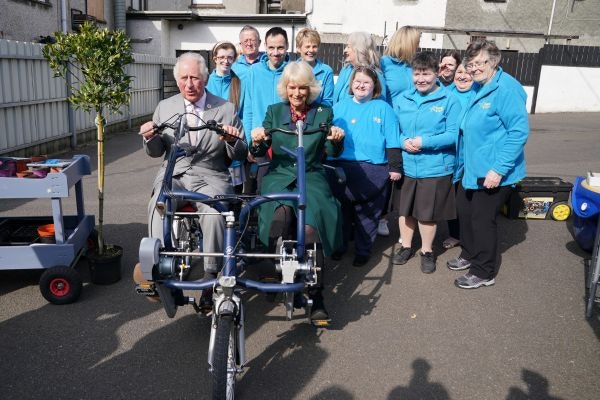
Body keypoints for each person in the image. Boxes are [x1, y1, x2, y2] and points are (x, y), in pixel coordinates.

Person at [138, 52, 247, 306]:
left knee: (214, 213)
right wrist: (149, 138)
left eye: (195, 78)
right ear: (177, 80)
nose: (190, 84)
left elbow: (242, 152)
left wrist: (232, 140)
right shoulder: (165, 107)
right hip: (174, 173)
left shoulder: (224, 108)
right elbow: (156, 152)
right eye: (184, 78)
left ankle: (211, 275)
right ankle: (158, 267)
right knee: (158, 204)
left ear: (205, 79)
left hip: (211, 175)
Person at [249, 61, 345, 322]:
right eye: (292, 87)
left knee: (310, 228)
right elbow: (257, 152)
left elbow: (334, 152)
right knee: (279, 216)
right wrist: (256, 139)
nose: (297, 93)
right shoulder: (274, 111)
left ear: (310, 88)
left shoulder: (324, 113)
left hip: (311, 175)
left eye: (302, 88)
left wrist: (337, 138)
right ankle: (271, 267)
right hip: (279, 174)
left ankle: (317, 293)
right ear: (285, 88)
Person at [449, 39, 529, 289]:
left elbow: (518, 132)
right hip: (471, 168)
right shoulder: (478, 86)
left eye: (478, 63)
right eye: (469, 64)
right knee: (464, 211)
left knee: (482, 220)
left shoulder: (506, 89)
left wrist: (498, 169)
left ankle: (484, 272)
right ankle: (471, 253)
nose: (472, 69)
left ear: (493, 61)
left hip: (494, 171)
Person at [391, 51, 462, 274]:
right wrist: (403, 141)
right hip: (407, 164)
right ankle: (405, 246)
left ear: (436, 73)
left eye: (426, 74)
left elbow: (452, 135)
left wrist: (425, 142)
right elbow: (394, 130)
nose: (421, 79)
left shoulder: (450, 100)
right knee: (406, 211)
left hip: (435, 167)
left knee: (427, 214)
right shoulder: (402, 99)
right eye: (417, 74)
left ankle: (427, 251)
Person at [328, 66, 402, 267]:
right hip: (340, 166)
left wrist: (395, 167)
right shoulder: (339, 107)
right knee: (341, 213)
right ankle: (339, 247)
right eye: (357, 81)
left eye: (366, 82)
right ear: (351, 84)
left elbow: (393, 140)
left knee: (367, 214)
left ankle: (363, 250)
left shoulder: (384, 108)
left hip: (373, 168)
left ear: (374, 86)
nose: (361, 85)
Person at [379, 25, 421, 237]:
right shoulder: (384, 64)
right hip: (390, 125)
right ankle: (381, 217)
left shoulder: (412, 67)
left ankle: (399, 216)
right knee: (387, 172)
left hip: (410, 127)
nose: (418, 47)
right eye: (416, 43)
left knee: (402, 175)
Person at [242, 26, 291, 194]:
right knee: (261, 190)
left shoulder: (293, 71)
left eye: (280, 47)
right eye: (271, 47)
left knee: (286, 189)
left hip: (286, 139)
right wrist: (250, 142)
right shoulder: (254, 72)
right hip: (261, 139)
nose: (275, 52)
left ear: (287, 46)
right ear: (265, 47)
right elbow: (248, 109)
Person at [442, 62, 474, 249]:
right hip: (450, 156)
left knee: (468, 201)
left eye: (467, 72)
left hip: (471, 156)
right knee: (452, 199)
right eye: (459, 72)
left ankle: (470, 235)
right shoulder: (445, 93)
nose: (462, 76)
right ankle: (455, 234)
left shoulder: (478, 94)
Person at [207, 41, 246, 192]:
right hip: (210, 146)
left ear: (235, 59)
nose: (226, 61)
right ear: (215, 58)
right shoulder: (206, 83)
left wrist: (243, 144)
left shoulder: (240, 84)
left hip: (232, 143)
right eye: (222, 57)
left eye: (230, 57)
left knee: (235, 192)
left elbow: (243, 115)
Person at [332, 31, 387, 105]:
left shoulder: (375, 75)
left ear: (359, 49)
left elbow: (379, 106)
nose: (345, 50)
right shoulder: (345, 70)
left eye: (348, 47)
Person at [295, 28, 334, 107]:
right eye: (307, 46)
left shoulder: (326, 71)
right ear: (299, 48)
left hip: (317, 116)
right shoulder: (292, 69)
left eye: (314, 46)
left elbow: (328, 101)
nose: (311, 50)